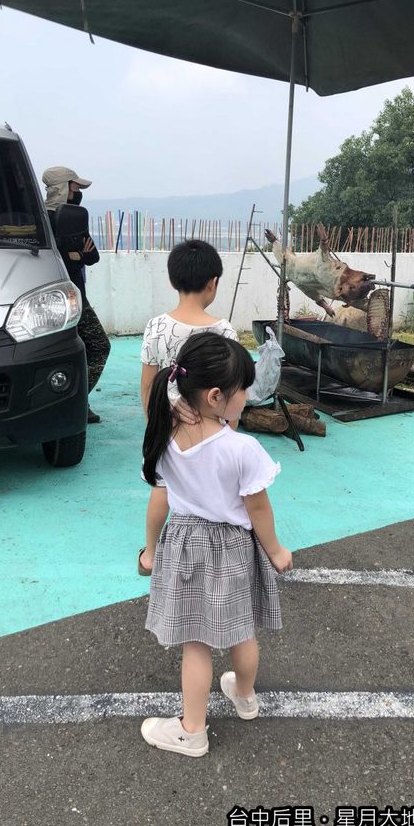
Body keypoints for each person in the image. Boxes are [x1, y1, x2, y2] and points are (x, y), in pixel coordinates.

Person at [140, 333, 292, 757]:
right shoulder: (243, 449)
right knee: (242, 630)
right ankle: (245, 697)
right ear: (215, 396)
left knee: (196, 643)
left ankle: (192, 729)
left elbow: (159, 500)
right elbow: (258, 508)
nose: (248, 397)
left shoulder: (165, 434)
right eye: (244, 390)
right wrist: (276, 550)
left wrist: (150, 551)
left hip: (186, 546)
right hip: (233, 548)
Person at [138, 239, 238, 577]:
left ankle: (151, 555)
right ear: (213, 282)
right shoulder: (224, 331)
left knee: (162, 489)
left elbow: (148, 386)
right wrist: (230, 430)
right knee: (213, 492)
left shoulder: (156, 327)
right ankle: (213, 558)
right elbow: (232, 392)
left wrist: (155, 425)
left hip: (169, 430)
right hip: (213, 431)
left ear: (172, 280)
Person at [42, 166, 110, 424]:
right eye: (75, 186)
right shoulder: (42, 220)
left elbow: (93, 256)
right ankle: (72, 400)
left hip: (76, 297)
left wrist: (77, 255)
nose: (79, 191)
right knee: (98, 346)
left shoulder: (73, 218)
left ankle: (78, 400)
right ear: (62, 187)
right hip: (54, 299)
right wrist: (72, 254)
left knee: (87, 348)